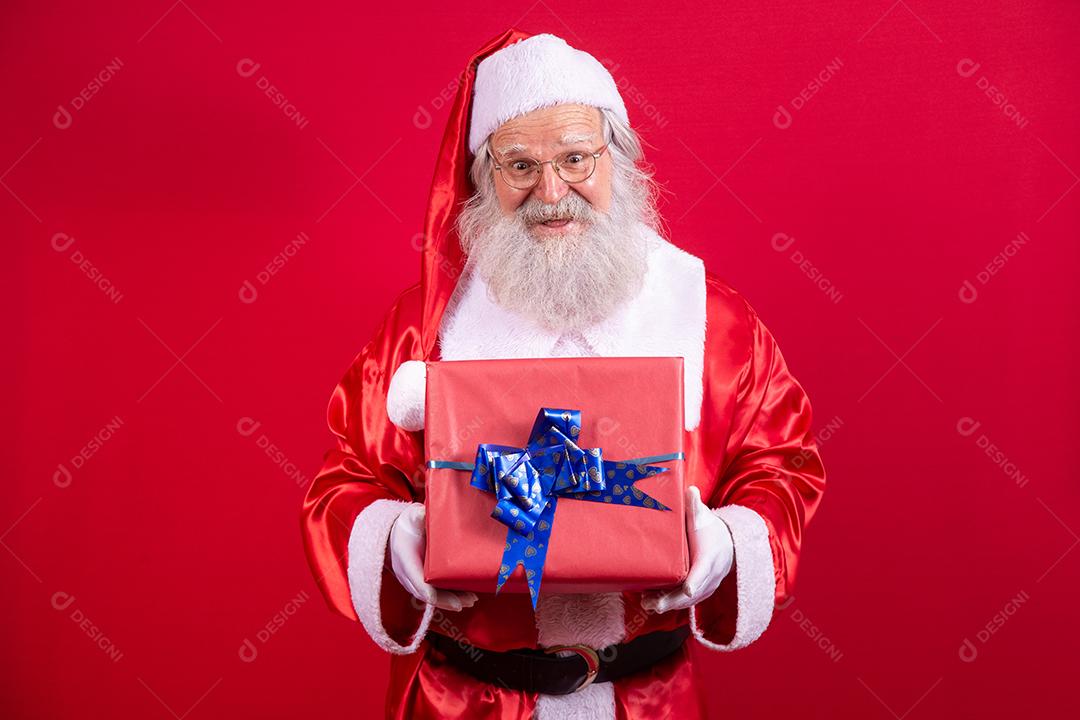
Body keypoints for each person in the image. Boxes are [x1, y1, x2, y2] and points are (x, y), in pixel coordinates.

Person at [301, 29, 826, 720]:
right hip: (465, 701)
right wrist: (396, 543)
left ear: (621, 160)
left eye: (576, 158)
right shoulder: (424, 326)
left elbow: (782, 468)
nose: (552, 192)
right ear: (484, 180)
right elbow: (347, 482)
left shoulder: (712, 318)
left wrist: (728, 543)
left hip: (647, 702)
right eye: (519, 166)